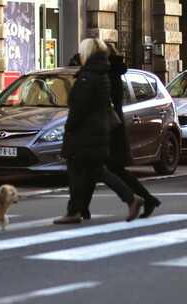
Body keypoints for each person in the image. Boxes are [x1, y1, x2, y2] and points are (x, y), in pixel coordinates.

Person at [54, 38, 143, 224]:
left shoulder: (87, 77)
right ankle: (78, 210)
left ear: (87, 53)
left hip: (85, 134)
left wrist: (69, 127)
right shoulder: (102, 74)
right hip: (98, 132)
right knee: (94, 171)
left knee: (79, 172)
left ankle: (76, 211)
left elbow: (79, 107)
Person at [80, 43, 161, 219]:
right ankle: (81, 208)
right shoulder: (112, 72)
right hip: (112, 128)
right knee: (98, 170)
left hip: (107, 130)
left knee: (103, 169)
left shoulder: (106, 74)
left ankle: (144, 199)